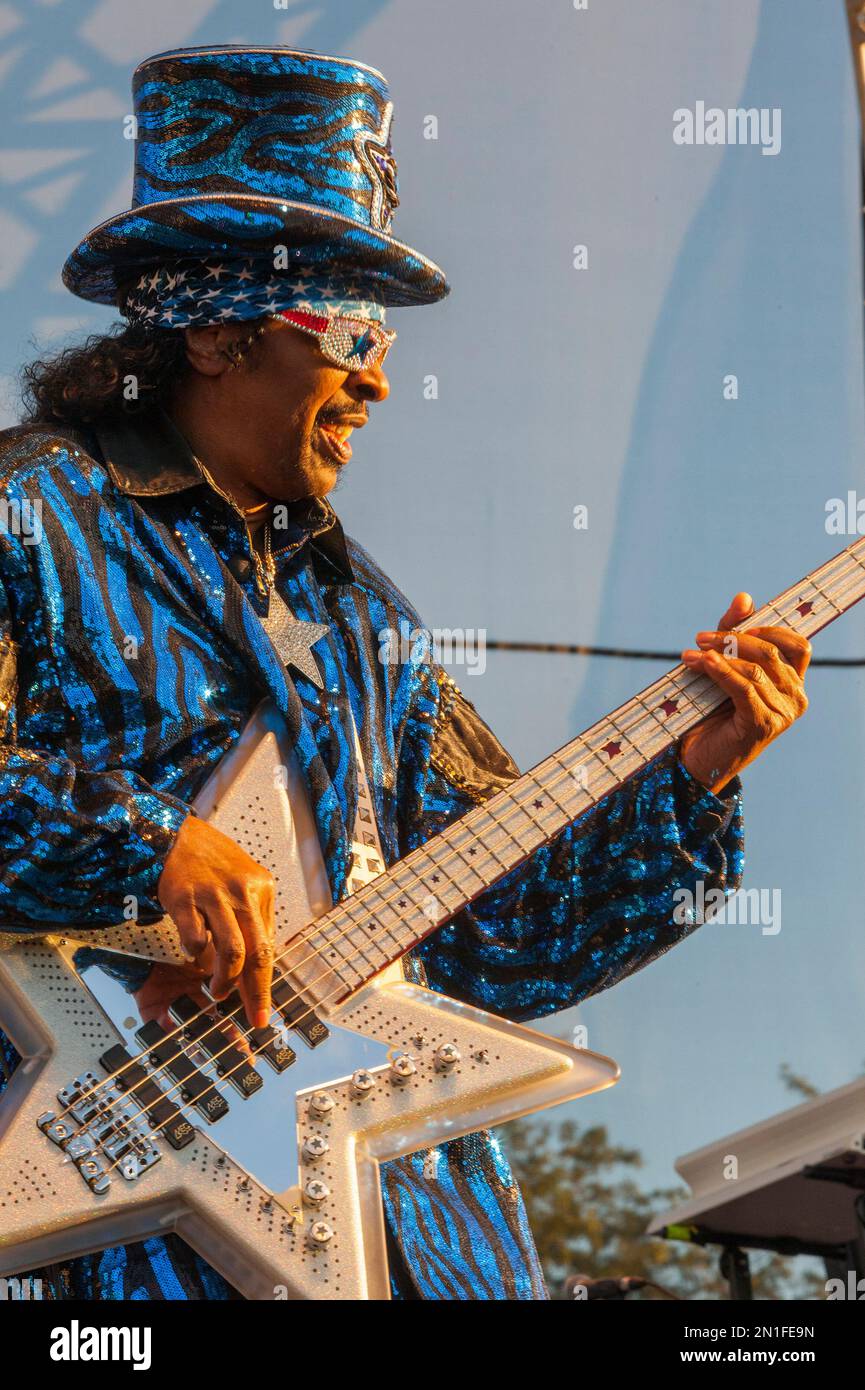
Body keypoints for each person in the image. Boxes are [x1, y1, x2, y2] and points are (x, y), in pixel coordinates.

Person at [0, 45, 809, 1301]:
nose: (379, 372)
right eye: (349, 325)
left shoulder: (365, 616)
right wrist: (148, 843)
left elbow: (498, 938)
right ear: (216, 330)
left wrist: (688, 783)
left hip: (404, 1228)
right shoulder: (31, 510)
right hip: (104, 1235)